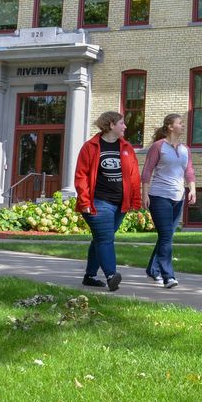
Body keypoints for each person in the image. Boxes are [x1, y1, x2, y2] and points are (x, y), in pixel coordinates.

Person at [74, 111, 142, 291]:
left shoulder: (126, 148)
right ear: (111, 125)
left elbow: (134, 177)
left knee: (100, 239)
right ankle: (111, 275)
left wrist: (135, 200)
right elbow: (81, 176)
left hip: (120, 203)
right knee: (105, 238)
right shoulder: (91, 147)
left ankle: (89, 276)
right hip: (99, 201)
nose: (125, 126)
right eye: (122, 123)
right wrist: (85, 201)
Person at [141, 113, 196, 289]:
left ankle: (152, 269)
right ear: (170, 126)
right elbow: (147, 171)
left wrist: (193, 189)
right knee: (166, 238)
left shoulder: (185, 149)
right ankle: (168, 276)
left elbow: (189, 171)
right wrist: (145, 194)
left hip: (178, 197)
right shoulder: (158, 147)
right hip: (159, 196)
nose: (183, 126)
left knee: (167, 236)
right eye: (180, 123)